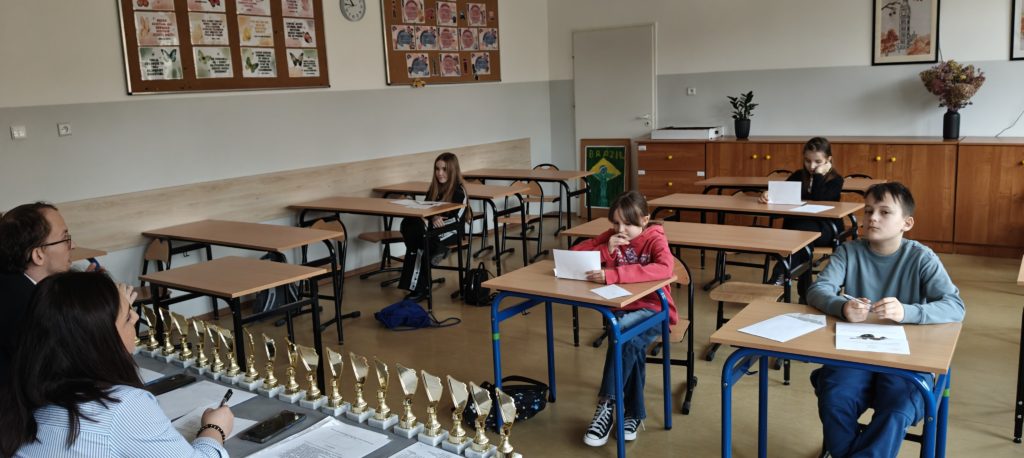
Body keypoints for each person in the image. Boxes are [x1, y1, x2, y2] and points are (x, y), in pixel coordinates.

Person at [806, 182, 965, 458]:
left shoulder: (921, 257)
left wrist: (907, 312)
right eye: (868, 211)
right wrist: (842, 307)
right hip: (855, 353)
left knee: (897, 406)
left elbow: (955, 306)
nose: (873, 218)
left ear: (907, 223)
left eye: (884, 212)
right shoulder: (849, 251)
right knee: (835, 398)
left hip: (907, 358)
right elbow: (818, 290)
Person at [0, 271, 235, 456]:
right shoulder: (122, 408)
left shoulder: (20, 394)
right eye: (127, 317)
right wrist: (214, 429)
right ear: (100, 339)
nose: (136, 318)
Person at [572, 191, 677, 447]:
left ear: (644, 220)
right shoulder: (613, 236)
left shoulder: (655, 239)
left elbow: (665, 268)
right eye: (616, 223)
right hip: (623, 307)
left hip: (655, 310)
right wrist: (605, 249)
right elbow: (575, 253)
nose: (621, 230)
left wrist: (615, 274)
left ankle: (606, 404)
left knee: (622, 337)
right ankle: (633, 414)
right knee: (630, 345)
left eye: (628, 224)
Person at [0, 202, 93, 379]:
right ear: (38, 255)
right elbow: (67, 369)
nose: (73, 245)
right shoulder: (28, 308)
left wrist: (80, 295)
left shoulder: (12, 284)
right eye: (65, 238)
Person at [758, 137, 844, 292]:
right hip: (800, 229)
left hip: (825, 229)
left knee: (801, 237)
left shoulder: (836, 180)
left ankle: (780, 274)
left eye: (818, 162)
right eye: (807, 161)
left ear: (828, 160)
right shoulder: (798, 175)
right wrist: (768, 194)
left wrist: (818, 175)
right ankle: (803, 290)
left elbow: (819, 198)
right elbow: (781, 194)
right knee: (803, 240)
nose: (812, 166)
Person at [398, 152, 467, 302]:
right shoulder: (434, 189)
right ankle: (438, 250)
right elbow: (426, 209)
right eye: (437, 169)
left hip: (452, 230)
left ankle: (420, 289)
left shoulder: (459, 191)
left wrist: (434, 221)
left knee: (420, 243)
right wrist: (433, 217)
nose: (440, 173)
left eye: (444, 169)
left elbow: (457, 219)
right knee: (408, 224)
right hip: (434, 230)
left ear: (452, 170)